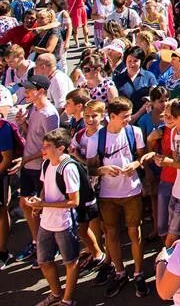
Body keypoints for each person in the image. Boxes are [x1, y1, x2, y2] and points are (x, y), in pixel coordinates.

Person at [86, 96, 150, 298]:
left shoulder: (134, 132)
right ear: (111, 116)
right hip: (108, 194)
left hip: (131, 190)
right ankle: (120, 271)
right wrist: (103, 169)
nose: (128, 120)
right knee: (111, 233)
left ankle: (138, 273)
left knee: (135, 232)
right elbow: (91, 168)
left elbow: (141, 156)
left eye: (129, 115)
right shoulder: (96, 138)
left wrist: (136, 165)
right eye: (124, 116)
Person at [29, 129, 83, 306]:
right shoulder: (46, 164)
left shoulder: (68, 168)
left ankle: (68, 300)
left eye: (47, 146)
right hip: (46, 222)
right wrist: (40, 202)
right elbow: (46, 187)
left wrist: (43, 205)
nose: (43, 149)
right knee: (44, 261)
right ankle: (56, 293)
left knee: (70, 262)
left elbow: (74, 202)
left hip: (64, 223)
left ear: (61, 148)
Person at [12, 74, 60, 266]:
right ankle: (36, 242)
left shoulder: (50, 114)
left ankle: (49, 245)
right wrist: (22, 123)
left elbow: (50, 148)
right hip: (28, 165)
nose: (26, 93)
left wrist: (25, 159)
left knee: (38, 207)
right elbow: (32, 135)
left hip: (40, 167)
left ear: (40, 91)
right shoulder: (33, 110)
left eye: (30, 90)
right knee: (25, 205)